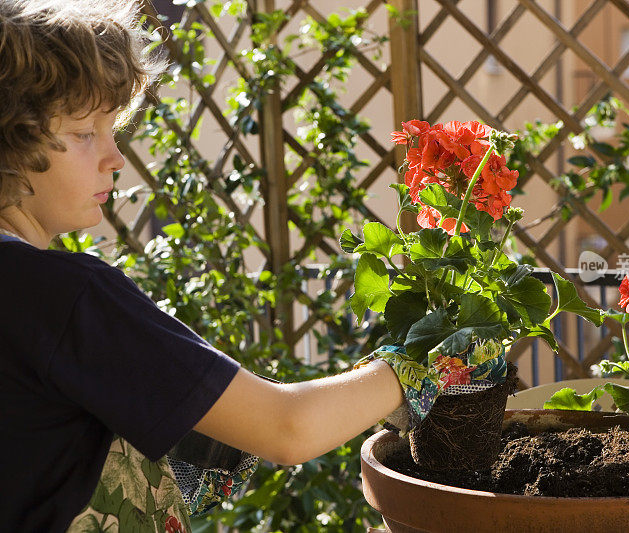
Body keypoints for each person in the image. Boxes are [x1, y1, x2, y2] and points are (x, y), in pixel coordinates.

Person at [0, 1, 403, 530]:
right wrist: (434, 363)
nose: (116, 157)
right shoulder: (66, 298)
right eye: (85, 133)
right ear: (12, 136)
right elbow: (289, 428)